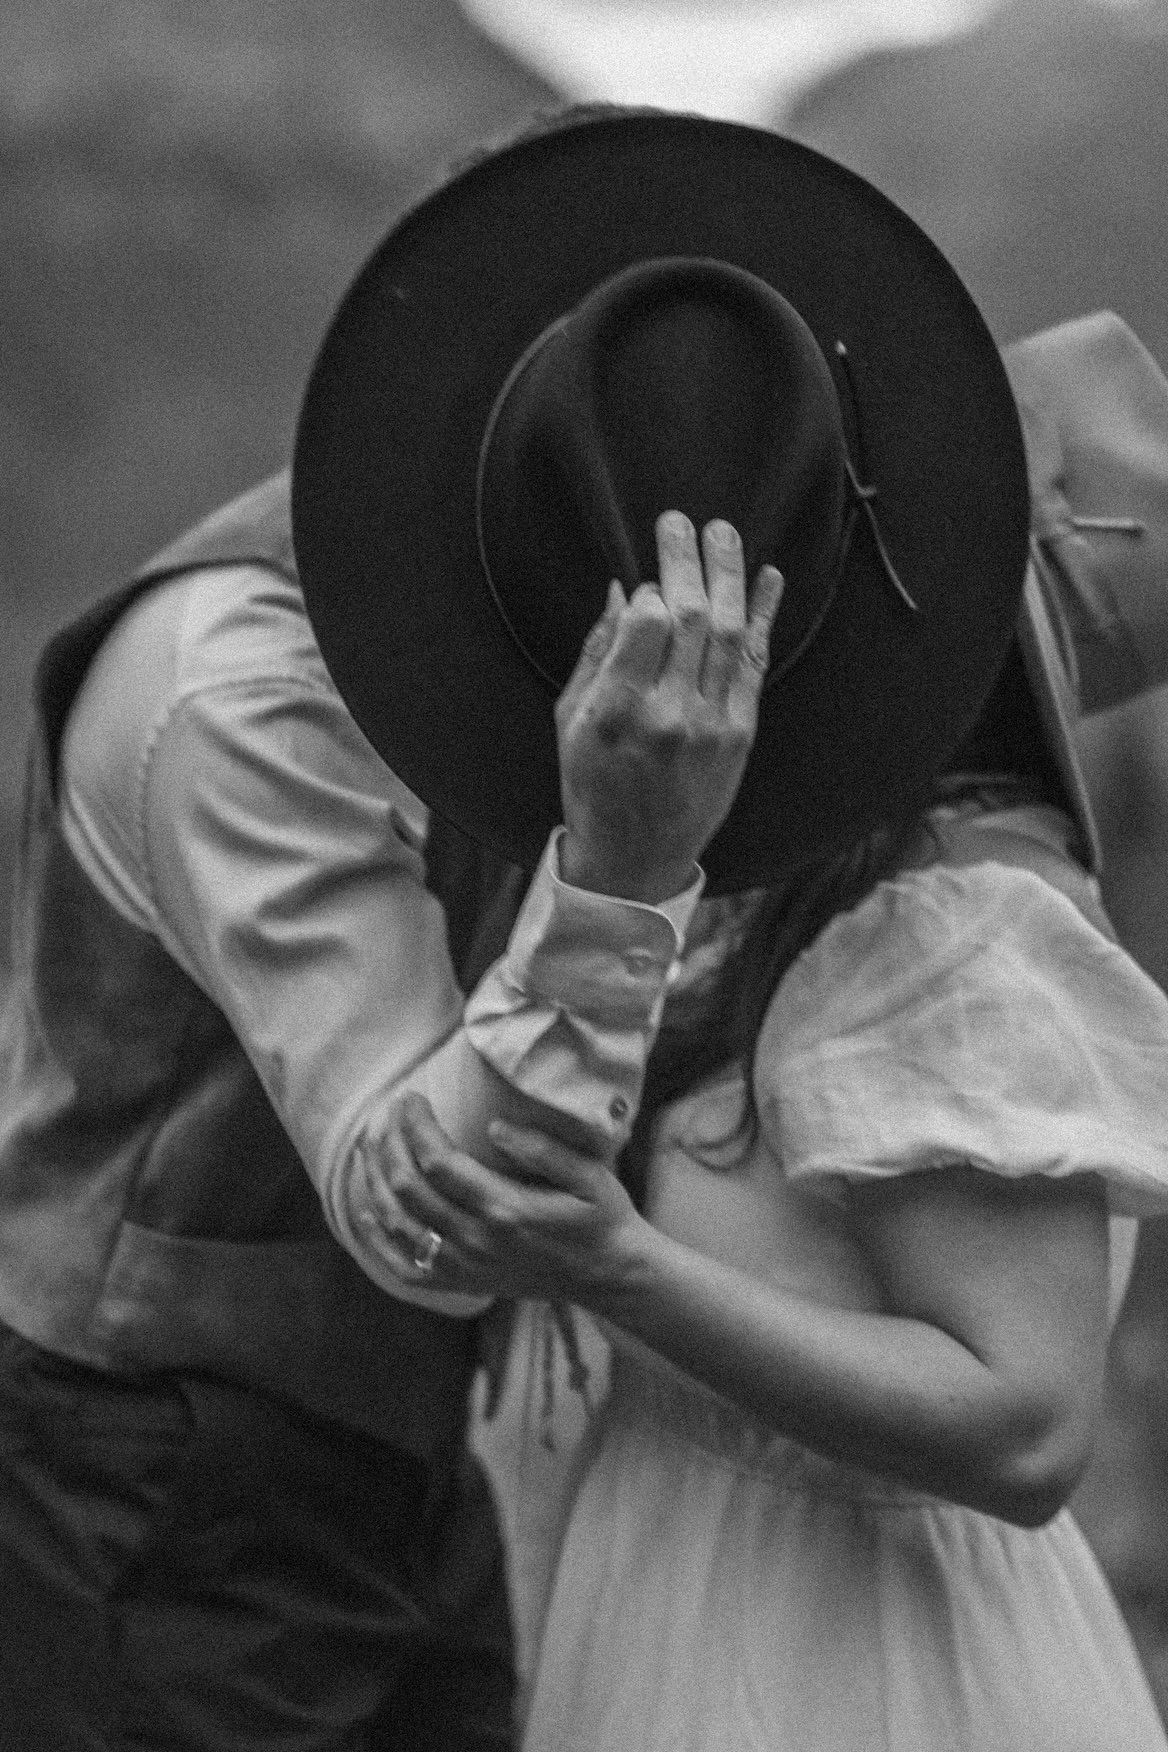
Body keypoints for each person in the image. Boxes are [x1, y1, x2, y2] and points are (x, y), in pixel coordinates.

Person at [311, 113, 1168, 1749]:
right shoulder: (721, 884)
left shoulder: (959, 929)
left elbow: (1028, 1428)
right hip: (671, 1607)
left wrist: (616, 1268)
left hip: (876, 1677)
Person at [0, 124, 791, 1752]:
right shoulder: (238, 689)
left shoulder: (532, 637)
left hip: (414, 1471)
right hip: (147, 1480)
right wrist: (626, 875)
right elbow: (418, 1209)